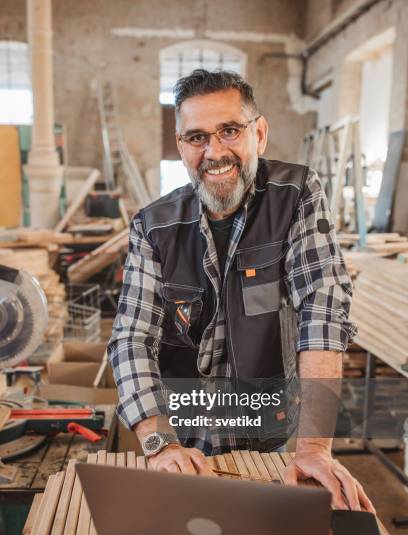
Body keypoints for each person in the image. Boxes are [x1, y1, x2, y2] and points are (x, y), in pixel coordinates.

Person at [108, 69, 374, 512]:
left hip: (274, 440)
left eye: (229, 130)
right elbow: (132, 338)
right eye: (196, 137)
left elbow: (322, 312)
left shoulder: (297, 197)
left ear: (260, 134)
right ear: (181, 146)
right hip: (184, 442)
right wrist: (159, 444)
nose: (214, 152)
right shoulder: (152, 227)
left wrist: (313, 449)